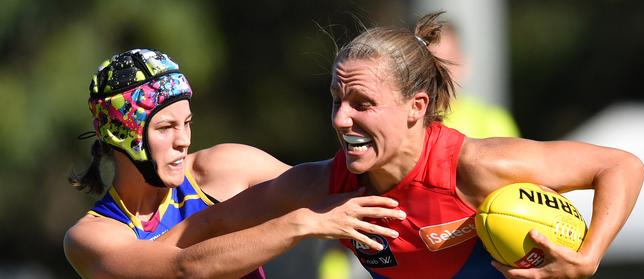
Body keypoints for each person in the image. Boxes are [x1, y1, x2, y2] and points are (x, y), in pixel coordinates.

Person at [212, 11, 644, 278]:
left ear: (416, 106)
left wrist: (588, 257)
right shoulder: (328, 187)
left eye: (362, 103)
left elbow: (623, 166)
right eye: (336, 100)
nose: (341, 119)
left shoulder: (477, 165)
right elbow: (192, 238)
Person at [63, 49, 406, 278]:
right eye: (166, 127)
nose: (183, 139)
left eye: (187, 123)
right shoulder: (91, 238)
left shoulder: (224, 168)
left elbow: (334, 186)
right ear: (121, 134)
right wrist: (303, 223)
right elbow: (184, 269)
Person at [433, 24, 520, 138]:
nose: (441, 71)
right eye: (433, 62)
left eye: (449, 61)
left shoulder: (493, 123)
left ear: (464, 64)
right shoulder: (408, 123)